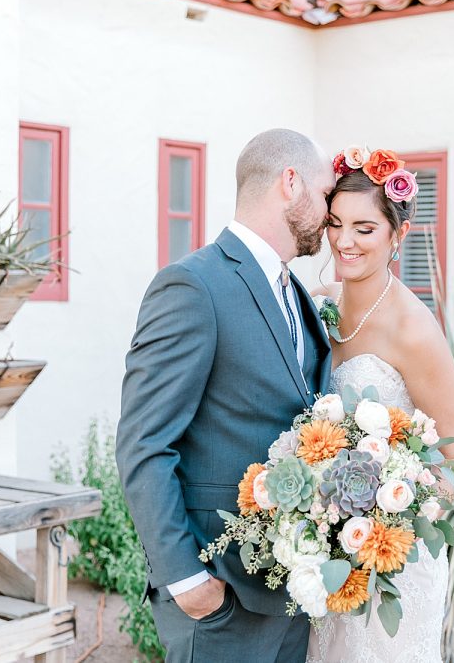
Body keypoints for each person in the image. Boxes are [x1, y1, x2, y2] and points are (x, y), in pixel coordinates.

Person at [116, 128, 336, 662]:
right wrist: (186, 579)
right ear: (291, 183)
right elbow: (143, 443)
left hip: (287, 594)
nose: (330, 215)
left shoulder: (296, 292)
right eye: (325, 194)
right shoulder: (193, 286)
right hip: (221, 596)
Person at [306, 148, 454, 662]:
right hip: (326, 547)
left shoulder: (414, 331)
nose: (344, 242)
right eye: (335, 224)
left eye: (364, 228)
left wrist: (387, 526)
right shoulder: (319, 301)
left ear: (396, 236)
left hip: (392, 561)